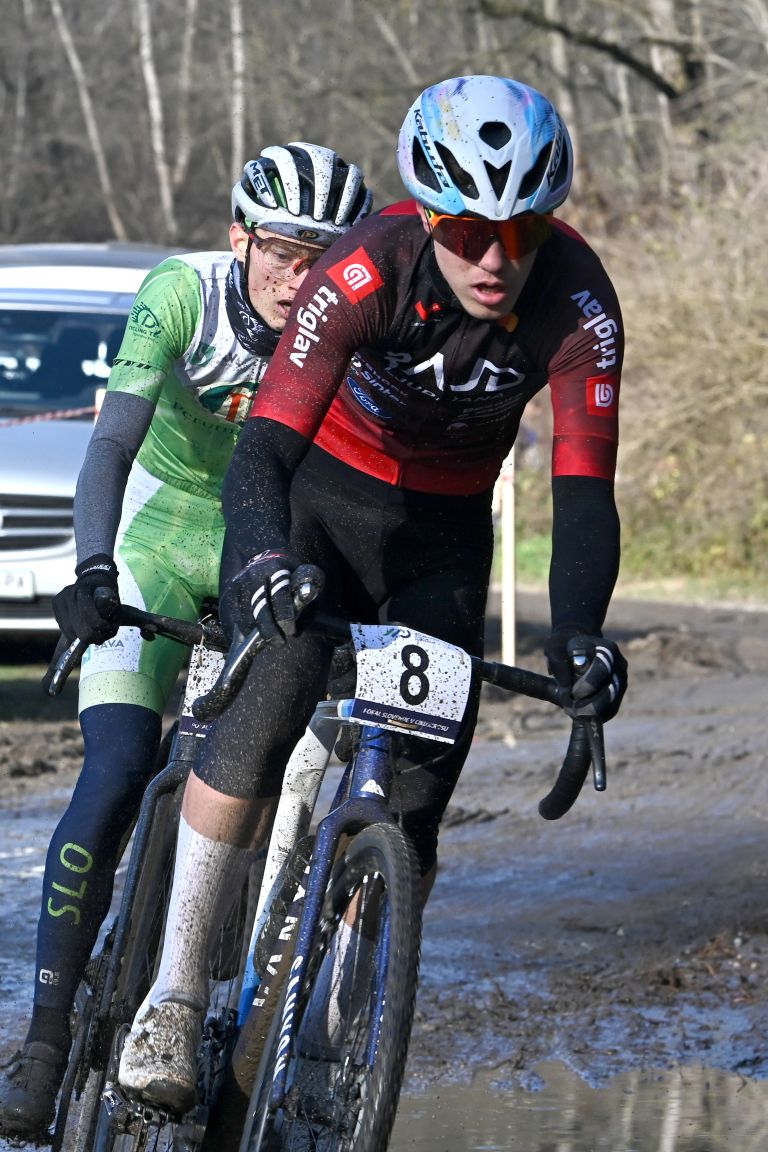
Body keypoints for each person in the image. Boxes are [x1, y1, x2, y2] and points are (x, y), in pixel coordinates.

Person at [115, 74, 629, 1113]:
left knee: (418, 801)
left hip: (438, 539)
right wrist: (260, 563)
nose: (496, 257)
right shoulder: (361, 272)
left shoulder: (579, 304)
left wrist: (580, 634)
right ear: (427, 216)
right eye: (467, 229)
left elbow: (584, 493)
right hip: (315, 499)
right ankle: (169, 995)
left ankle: (331, 1031)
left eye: (521, 229)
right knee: (270, 702)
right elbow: (261, 448)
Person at [0, 143, 372, 1141]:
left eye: (325, 261)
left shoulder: (352, 326)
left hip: (264, 558)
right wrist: (89, 572)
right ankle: (41, 1040)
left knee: (264, 770)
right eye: (286, 254)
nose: (304, 282)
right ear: (240, 238)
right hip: (157, 544)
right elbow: (111, 444)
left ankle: (214, 1002)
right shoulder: (182, 296)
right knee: (118, 769)